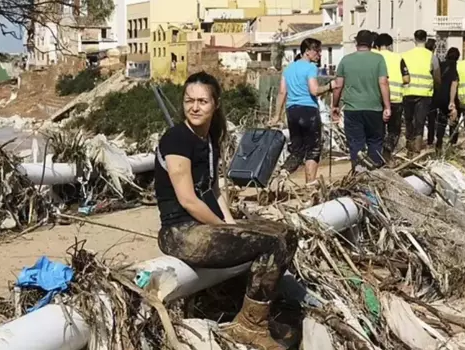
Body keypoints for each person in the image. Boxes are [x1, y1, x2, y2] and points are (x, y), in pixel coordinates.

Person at [156, 71, 298, 349]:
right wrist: (225, 229)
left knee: (286, 234)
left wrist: (233, 224)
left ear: (215, 104)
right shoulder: (177, 139)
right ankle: (250, 326)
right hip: (181, 232)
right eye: (189, 101)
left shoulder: (208, 139)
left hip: (203, 227)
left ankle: (260, 315)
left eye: (202, 101)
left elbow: (214, 191)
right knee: (269, 244)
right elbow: (188, 200)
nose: (194, 107)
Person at [271, 38, 335, 184]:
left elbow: (281, 93)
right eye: (317, 51)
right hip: (308, 111)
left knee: (297, 150)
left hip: (292, 112)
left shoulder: (288, 69)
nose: (319, 54)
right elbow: (314, 91)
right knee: (313, 150)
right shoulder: (310, 67)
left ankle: (283, 173)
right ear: (307, 52)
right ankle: (310, 185)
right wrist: (329, 87)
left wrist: (276, 116)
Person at [332, 30, 391, 170]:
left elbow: (338, 85)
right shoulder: (378, 59)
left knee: (356, 144)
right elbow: (383, 83)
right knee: (375, 142)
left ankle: (359, 175)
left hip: (353, 110)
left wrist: (335, 105)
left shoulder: (346, 60)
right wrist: (387, 107)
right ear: (371, 43)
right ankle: (375, 174)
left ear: (356, 42)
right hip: (374, 109)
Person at [401, 30, 441, 156]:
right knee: (420, 122)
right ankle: (417, 150)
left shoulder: (405, 55)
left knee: (408, 121)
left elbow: (402, 73)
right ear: (425, 39)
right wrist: (436, 89)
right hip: (424, 94)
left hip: (408, 92)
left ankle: (409, 148)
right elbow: (437, 77)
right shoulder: (431, 57)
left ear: (414, 39)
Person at [375, 33, 411, 162]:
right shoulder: (398, 57)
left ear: (378, 46)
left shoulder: (374, 57)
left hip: (377, 100)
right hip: (395, 99)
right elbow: (406, 78)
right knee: (393, 130)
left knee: (378, 129)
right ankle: (387, 152)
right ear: (390, 45)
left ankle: (376, 155)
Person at [432, 47, 461, 151]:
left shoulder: (441, 65)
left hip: (440, 98)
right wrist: (452, 101)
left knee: (441, 121)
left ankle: (439, 143)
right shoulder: (456, 67)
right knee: (454, 121)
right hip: (451, 98)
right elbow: (454, 83)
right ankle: (452, 145)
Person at [424, 38, 442, 147]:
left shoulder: (418, 57)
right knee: (431, 119)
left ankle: (415, 143)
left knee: (417, 120)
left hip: (413, 91)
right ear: (434, 48)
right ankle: (430, 141)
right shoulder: (433, 58)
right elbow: (437, 78)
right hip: (430, 93)